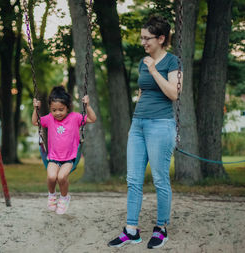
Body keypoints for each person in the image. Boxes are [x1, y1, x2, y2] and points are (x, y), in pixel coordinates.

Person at [108, 15, 183, 249]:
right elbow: (142, 92)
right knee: (133, 180)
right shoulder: (144, 62)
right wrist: (137, 113)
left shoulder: (172, 62)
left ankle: (161, 228)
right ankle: (131, 230)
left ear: (161, 38)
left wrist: (153, 71)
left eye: (147, 38)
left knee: (160, 180)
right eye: (141, 38)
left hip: (161, 124)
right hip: (138, 124)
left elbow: (173, 93)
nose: (143, 42)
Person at [32, 86, 96, 215]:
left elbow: (92, 119)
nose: (58, 113)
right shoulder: (49, 118)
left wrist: (87, 106)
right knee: (51, 177)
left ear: (68, 107)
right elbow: (35, 122)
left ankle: (64, 197)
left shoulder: (75, 117)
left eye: (61, 109)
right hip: (53, 158)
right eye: (54, 110)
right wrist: (35, 109)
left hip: (69, 158)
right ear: (50, 109)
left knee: (61, 177)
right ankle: (51, 196)